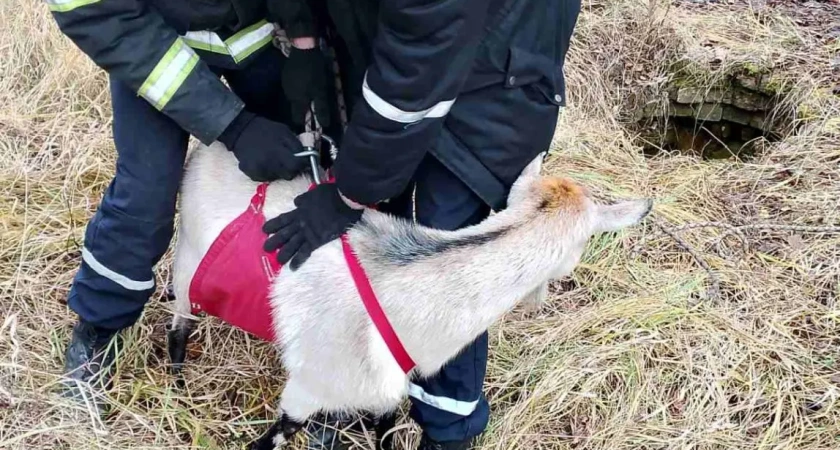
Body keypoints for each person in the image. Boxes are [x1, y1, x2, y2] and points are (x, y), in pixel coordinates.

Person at [264, 0, 582, 449]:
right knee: (375, 234)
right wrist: (306, 37)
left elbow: (420, 60)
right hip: (390, 46)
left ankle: (448, 427)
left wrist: (348, 193)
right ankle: (357, 394)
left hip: (494, 76)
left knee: (446, 268)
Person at [46, 0, 324, 406]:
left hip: (268, 34)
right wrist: (233, 126)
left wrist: (306, 40)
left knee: (309, 172)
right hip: (151, 42)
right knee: (145, 191)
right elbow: (91, 11)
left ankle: (317, 334)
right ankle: (99, 326)